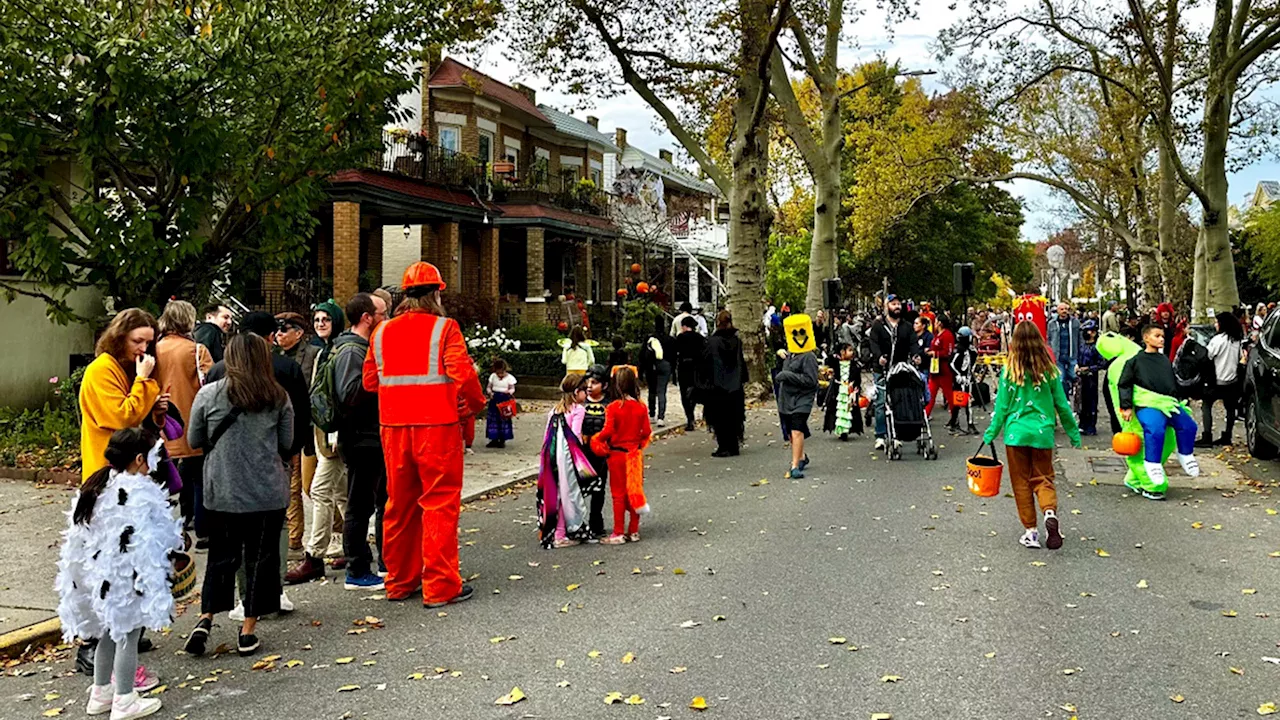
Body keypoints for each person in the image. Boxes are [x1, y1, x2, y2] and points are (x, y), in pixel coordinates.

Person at [362, 261, 486, 607]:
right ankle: (440, 586)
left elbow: (370, 381)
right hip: (437, 428)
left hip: (394, 429)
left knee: (398, 506)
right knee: (439, 504)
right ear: (436, 293)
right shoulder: (445, 329)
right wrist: (474, 406)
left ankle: (400, 581)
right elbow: (464, 376)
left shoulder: (382, 332)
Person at [183, 333, 294, 658]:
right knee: (260, 559)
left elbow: (194, 439)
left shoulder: (208, 394)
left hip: (222, 490)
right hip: (266, 493)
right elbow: (286, 444)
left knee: (220, 557)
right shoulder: (278, 397)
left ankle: (206, 618)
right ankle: (247, 630)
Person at [57, 428, 180, 720]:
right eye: (152, 457)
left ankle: (101, 692)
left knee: (107, 635)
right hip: (129, 578)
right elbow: (157, 539)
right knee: (128, 635)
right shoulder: (141, 491)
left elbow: (77, 542)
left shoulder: (96, 486)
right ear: (139, 458)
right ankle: (125, 699)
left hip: (100, 578)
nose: (154, 464)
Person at [204, 312, 309, 616]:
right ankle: (273, 591)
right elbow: (301, 414)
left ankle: (242, 597)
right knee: (274, 526)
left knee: (235, 532)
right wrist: (293, 451)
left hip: (227, 463)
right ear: (270, 336)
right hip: (274, 459)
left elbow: (199, 430)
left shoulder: (218, 373)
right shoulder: (286, 368)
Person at [982, 321, 1081, 550]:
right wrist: (1073, 433)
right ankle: (1049, 513)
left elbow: (1002, 408)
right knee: (1044, 477)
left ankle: (1031, 532)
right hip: (1042, 433)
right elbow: (1062, 405)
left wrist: (990, 434)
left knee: (1022, 483)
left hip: (1016, 434)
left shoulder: (1010, 371)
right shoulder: (1050, 371)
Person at [328, 293, 390, 590]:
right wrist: (381, 380)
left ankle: (382, 563)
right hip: (361, 438)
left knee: (377, 501)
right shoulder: (353, 352)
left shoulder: (356, 347)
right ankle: (357, 569)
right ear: (367, 317)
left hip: (366, 436)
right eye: (382, 313)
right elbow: (351, 394)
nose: (385, 318)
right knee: (360, 505)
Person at [289, 300, 347, 583]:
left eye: (326, 319)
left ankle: (314, 555)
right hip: (320, 431)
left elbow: (336, 396)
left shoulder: (338, 352)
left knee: (320, 490)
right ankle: (354, 544)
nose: (321, 323)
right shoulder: (323, 352)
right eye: (317, 319)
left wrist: (334, 432)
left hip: (334, 433)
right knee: (341, 492)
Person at [80, 309, 167, 481]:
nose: (143, 349)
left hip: (132, 466)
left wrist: (154, 409)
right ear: (119, 339)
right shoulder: (101, 370)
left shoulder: (126, 367)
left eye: (148, 343)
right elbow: (123, 418)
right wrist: (142, 380)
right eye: (137, 341)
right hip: (107, 469)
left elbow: (137, 417)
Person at [154, 300, 215, 545]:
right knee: (200, 478)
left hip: (161, 422)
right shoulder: (197, 351)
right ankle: (202, 530)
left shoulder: (154, 349)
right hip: (191, 422)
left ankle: (164, 529)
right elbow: (209, 386)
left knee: (161, 478)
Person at [1119, 324, 1201, 491]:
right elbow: (1124, 384)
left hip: (1168, 403)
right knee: (1155, 429)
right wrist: (1126, 406)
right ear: (1146, 338)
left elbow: (1172, 382)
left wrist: (1180, 397)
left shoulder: (1164, 360)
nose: (1161, 339)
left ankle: (1185, 454)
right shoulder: (1134, 361)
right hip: (1147, 404)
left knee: (1189, 426)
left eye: (1162, 336)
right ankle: (1152, 463)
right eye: (1157, 336)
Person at [274, 311, 320, 553]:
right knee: (292, 485)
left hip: (308, 428)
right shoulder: (275, 356)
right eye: (277, 330)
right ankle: (294, 538)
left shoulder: (312, 355)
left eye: (285, 329)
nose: (279, 334)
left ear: (299, 333)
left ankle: (337, 528)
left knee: (312, 485)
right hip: (285, 428)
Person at [590, 367, 651, 544]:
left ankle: (618, 532)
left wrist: (596, 439)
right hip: (634, 454)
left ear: (616, 385)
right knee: (634, 490)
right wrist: (638, 444)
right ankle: (633, 530)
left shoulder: (613, 407)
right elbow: (646, 431)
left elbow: (608, 430)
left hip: (616, 454)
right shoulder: (641, 407)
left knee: (618, 493)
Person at [538, 374, 597, 548]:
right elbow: (576, 434)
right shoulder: (579, 410)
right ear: (577, 392)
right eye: (585, 391)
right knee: (568, 492)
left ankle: (554, 530)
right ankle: (562, 533)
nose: (587, 394)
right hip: (567, 457)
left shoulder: (554, 410)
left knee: (554, 492)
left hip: (550, 455)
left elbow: (546, 436)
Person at [869, 295, 916, 450]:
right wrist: (879, 357)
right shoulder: (878, 325)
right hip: (881, 369)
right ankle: (880, 435)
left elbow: (913, 343)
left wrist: (916, 355)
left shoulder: (906, 326)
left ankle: (896, 434)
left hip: (899, 368)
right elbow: (873, 343)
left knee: (898, 400)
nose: (897, 307)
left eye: (898, 304)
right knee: (881, 402)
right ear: (887, 306)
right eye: (894, 304)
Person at [704, 310, 748, 457]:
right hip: (735, 386)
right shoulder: (736, 341)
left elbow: (708, 363)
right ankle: (733, 445)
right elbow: (740, 362)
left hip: (718, 386)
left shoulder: (712, 342)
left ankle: (723, 446)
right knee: (734, 417)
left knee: (719, 418)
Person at [1199, 311, 1245, 447]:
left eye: (1217, 322)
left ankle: (1207, 435)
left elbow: (1208, 356)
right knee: (1230, 408)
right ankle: (1227, 436)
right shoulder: (1237, 340)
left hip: (1216, 380)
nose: (1215, 325)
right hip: (1232, 380)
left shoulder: (1218, 340)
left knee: (1206, 405)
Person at [775, 339, 819, 479]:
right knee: (790, 431)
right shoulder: (789, 355)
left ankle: (794, 465)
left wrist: (788, 376)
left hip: (803, 398)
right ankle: (801, 456)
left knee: (797, 429)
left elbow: (811, 380)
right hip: (786, 399)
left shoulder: (808, 356)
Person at [579, 365, 613, 539]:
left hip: (601, 453)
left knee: (598, 488)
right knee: (578, 488)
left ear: (605, 385)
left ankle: (596, 522)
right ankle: (576, 522)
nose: (590, 386)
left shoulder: (610, 405)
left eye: (595, 382)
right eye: (588, 382)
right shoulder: (580, 402)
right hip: (581, 452)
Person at [822, 342, 862, 441]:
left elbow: (858, 378)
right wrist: (836, 355)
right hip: (838, 390)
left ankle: (847, 430)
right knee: (838, 410)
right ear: (842, 352)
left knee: (849, 410)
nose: (852, 352)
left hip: (850, 390)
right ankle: (840, 429)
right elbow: (828, 360)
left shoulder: (854, 365)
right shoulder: (836, 363)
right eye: (849, 350)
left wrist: (856, 386)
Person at [639, 316, 674, 426]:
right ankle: (661, 417)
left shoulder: (650, 338)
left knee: (652, 391)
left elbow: (642, 355)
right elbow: (673, 356)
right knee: (662, 391)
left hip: (652, 366)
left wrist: (641, 370)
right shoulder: (669, 339)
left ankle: (652, 414)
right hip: (665, 365)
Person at [673, 316, 707, 430]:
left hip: (684, 368)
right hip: (697, 368)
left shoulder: (680, 338)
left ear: (683, 326)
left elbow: (676, 353)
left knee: (684, 394)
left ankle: (690, 418)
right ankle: (704, 413)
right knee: (698, 390)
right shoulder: (700, 338)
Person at [1047, 302, 1082, 398]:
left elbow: (1080, 339)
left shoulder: (1075, 322)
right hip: (1058, 357)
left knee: (1076, 378)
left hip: (1072, 355)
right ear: (1057, 311)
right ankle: (1065, 400)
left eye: (1066, 309)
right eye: (1062, 309)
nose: (1064, 311)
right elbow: (1049, 339)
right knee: (1061, 379)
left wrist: (1080, 355)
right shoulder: (1052, 323)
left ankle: (1077, 402)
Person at [948, 327, 979, 434]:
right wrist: (959, 375)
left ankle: (970, 423)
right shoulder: (959, 350)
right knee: (959, 402)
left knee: (968, 402)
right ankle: (954, 423)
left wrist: (969, 374)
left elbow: (972, 363)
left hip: (967, 379)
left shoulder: (970, 350)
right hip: (959, 380)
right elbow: (951, 364)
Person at [1077, 321, 1104, 435]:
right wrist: (1077, 366)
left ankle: (1091, 425)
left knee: (1091, 401)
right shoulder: (1082, 346)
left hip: (1091, 378)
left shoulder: (1097, 347)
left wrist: (1089, 368)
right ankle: (1082, 423)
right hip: (1081, 377)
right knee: (1081, 400)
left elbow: (1102, 363)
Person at [925, 314, 955, 416]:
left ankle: (954, 415)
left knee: (948, 393)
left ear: (940, 323)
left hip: (944, 369)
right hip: (935, 368)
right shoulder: (937, 334)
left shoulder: (947, 335)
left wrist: (935, 353)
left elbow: (948, 352)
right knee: (931, 393)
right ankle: (925, 415)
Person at [486, 359, 517, 448]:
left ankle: (502, 439)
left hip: (504, 399)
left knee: (503, 418)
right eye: (498, 373)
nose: (500, 375)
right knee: (493, 419)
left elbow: (512, 389)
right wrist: (490, 393)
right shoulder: (493, 377)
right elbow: (489, 387)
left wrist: (509, 392)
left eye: (501, 373)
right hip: (495, 398)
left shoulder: (510, 378)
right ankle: (493, 438)